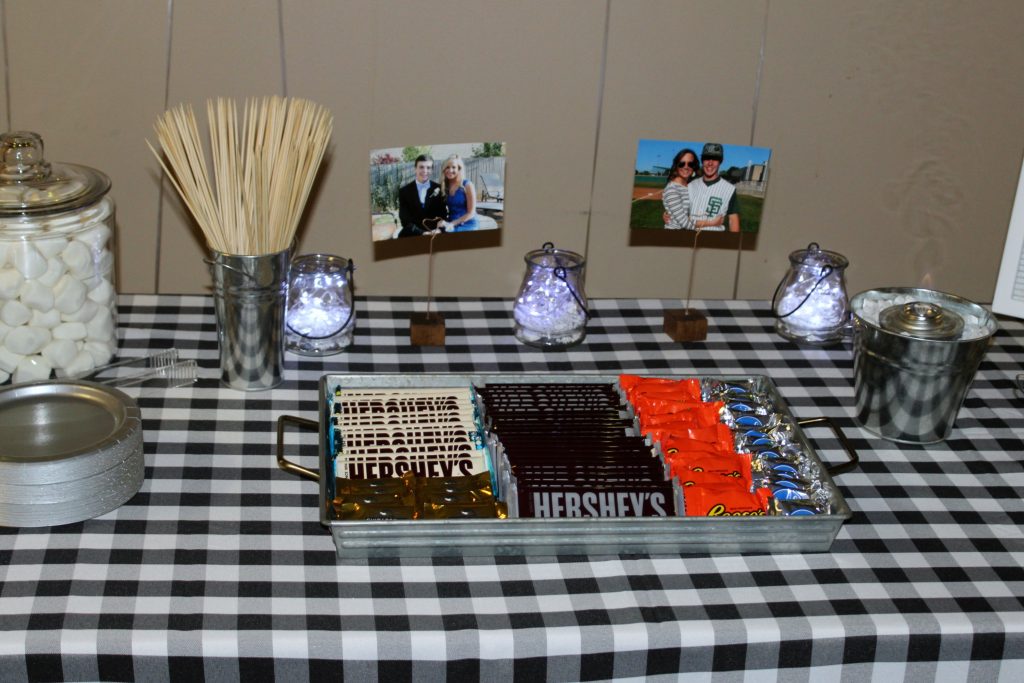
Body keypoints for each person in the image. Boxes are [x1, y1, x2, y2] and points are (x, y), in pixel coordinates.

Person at [662, 148, 725, 231]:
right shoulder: (672, 189)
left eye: (690, 164)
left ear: (694, 166)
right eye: (682, 164)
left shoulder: (690, 185)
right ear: (676, 165)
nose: (686, 167)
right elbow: (684, 222)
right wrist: (712, 223)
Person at [687, 142, 740, 233]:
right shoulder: (690, 186)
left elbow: (733, 220)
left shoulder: (729, 189)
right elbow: (680, 216)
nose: (710, 163)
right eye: (707, 158)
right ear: (702, 160)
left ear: (720, 162)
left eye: (715, 159)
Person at [397, 154, 448, 238]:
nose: (425, 170)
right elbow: (404, 220)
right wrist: (422, 233)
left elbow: (443, 215)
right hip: (412, 233)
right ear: (415, 169)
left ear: (431, 170)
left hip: (435, 232)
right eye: (421, 167)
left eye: (428, 168)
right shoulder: (404, 191)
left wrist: (439, 230)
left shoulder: (439, 188)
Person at [440, 155, 478, 232]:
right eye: (447, 167)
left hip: (468, 223)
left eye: (453, 167)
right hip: (450, 222)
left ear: (459, 169)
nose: (450, 170)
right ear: (444, 169)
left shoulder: (467, 185)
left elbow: (471, 212)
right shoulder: (444, 186)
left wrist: (452, 224)